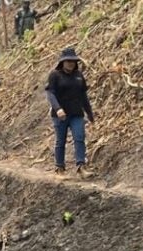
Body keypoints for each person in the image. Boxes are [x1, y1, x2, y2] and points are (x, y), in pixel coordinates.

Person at [45, 47, 96, 176]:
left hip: (76, 113)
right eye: (68, 61)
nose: (70, 63)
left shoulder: (79, 76)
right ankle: (60, 168)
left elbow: (83, 95)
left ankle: (81, 167)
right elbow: (50, 93)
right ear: (62, 62)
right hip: (60, 115)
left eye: (73, 61)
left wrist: (89, 113)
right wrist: (58, 109)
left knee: (79, 137)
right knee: (60, 141)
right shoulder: (55, 75)